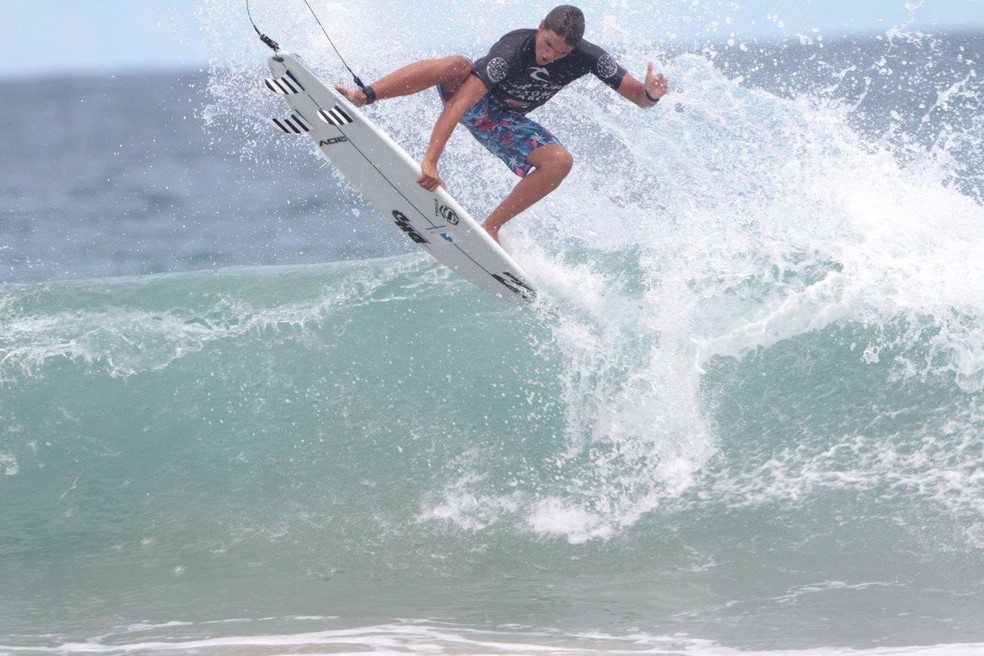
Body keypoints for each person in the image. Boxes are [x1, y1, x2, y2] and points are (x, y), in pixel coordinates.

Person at [336, 5, 668, 243]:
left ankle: (491, 228)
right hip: (473, 101)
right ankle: (362, 96)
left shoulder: (589, 56)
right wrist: (431, 161)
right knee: (456, 64)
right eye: (547, 44)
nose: (549, 55)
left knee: (560, 162)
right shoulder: (512, 48)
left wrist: (650, 95)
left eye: (560, 52)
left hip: (505, 123)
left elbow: (639, 97)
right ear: (540, 27)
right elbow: (460, 104)